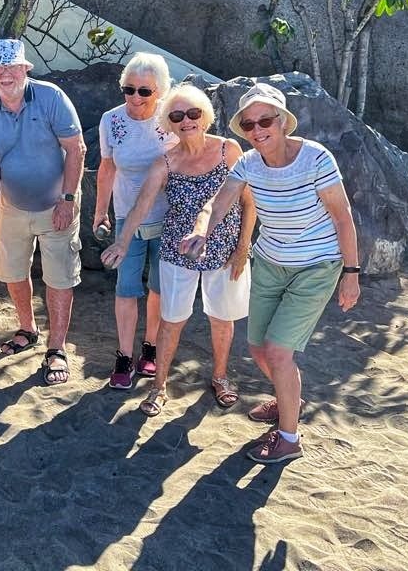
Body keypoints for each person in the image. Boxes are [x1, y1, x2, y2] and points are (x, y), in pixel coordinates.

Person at [182, 82, 361, 464]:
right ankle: (289, 398)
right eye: (249, 124)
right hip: (269, 262)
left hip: (315, 265)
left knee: (279, 352)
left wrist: (351, 272)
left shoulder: (316, 158)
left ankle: (289, 438)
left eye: (266, 120)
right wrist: (201, 231)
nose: (258, 129)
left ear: (283, 122)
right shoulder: (247, 163)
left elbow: (342, 216)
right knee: (258, 348)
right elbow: (220, 200)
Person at [101, 84, 255, 417]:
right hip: (178, 250)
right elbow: (142, 204)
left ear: (206, 116)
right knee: (172, 320)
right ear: (169, 122)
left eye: (193, 113)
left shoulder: (229, 150)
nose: (186, 121)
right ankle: (159, 387)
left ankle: (220, 376)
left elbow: (247, 201)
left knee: (221, 319)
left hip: (224, 250)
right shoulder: (166, 161)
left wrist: (243, 247)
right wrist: (122, 241)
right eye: (177, 115)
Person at [0, 38, 85, 386]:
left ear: (25, 69)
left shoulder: (51, 97)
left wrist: (67, 199)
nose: (5, 75)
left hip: (57, 204)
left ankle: (57, 347)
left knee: (59, 277)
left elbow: (76, 149)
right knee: (13, 271)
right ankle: (28, 327)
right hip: (12, 205)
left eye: (12, 67)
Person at [93, 52, 178, 391]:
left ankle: (151, 346)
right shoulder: (111, 120)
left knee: (158, 288)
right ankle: (124, 356)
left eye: (145, 91)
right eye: (129, 89)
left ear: (160, 91)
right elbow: (107, 168)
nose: (136, 98)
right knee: (126, 287)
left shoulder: (173, 118)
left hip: (168, 216)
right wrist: (101, 212)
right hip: (128, 215)